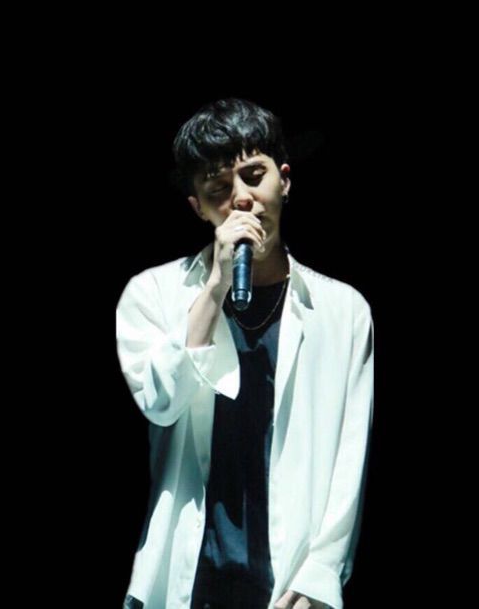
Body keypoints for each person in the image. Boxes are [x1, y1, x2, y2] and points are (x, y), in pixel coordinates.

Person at [116, 98, 374, 609]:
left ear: (284, 180)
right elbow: (161, 403)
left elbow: (351, 454)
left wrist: (322, 572)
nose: (242, 200)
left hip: (289, 577)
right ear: (198, 207)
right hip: (189, 575)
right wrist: (215, 286)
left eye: (255, 177)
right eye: (218, 189)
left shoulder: (343, 310)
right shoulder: (153, 294)